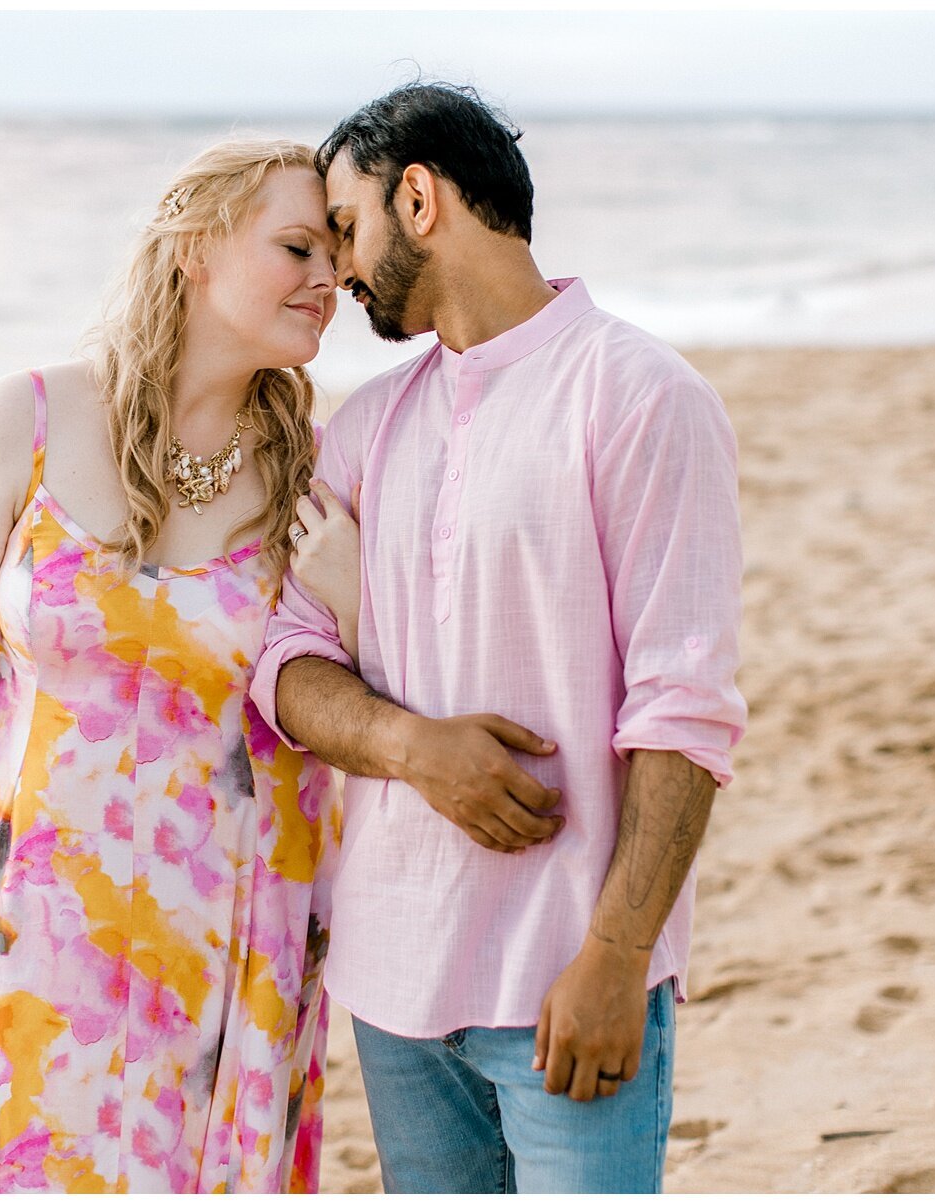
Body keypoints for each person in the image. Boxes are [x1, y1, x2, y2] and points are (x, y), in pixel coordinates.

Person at [0, 138, 355, 1193]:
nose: (328, 279)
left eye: (338, 255)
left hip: (225, 943)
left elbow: (342, 713)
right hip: (24, 923)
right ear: (195, 249)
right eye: (297, 246)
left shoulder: (318, 471)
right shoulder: (27, 420)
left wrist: (342, 593)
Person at [253, 84, 747, 1193]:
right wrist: (413, 748)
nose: (337, 269)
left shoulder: (641, 397)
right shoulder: (368, 427)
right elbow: (283, 666)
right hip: (391, 983)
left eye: (346, 227)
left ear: (418, 198)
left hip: (568, 974)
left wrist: (619, 960)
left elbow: (685, 709)